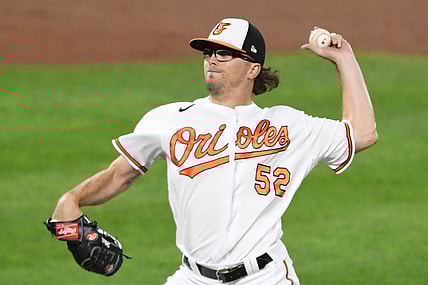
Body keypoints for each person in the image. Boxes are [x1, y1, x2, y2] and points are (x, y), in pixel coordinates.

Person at [50, 18, 377, 284]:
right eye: (209, 52)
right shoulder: (168, 119)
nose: (211, 59)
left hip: (265, 277)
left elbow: (362, 133)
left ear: (252, 69)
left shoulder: (290, 126)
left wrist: (344, 59)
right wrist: (69, 202)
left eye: (224, 53)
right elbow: (118, 176)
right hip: (192, 278)